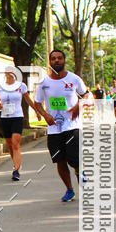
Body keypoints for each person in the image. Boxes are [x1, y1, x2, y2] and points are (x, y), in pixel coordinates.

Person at [34, 48, 87, 203]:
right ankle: (69, 190)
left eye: (59, 58)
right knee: (60, 160)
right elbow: (37, 103)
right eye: (53, 58)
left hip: (72, 125)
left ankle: (82, 183)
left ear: (64, 60)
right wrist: (46, 116)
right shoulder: (44, 83)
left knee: (75, 160)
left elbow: (86, 94)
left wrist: (79, 105)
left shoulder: (74, 79)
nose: (56, 60)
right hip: (54, 128)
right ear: (50, 62)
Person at [0, 68, 40, 181]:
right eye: (8, 73)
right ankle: (16, 163)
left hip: (17, 117)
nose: (10, 74)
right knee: (10, 145)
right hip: (5, 118)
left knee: (15, 143)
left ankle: (16, 170)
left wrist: (37, 111)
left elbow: (28, 100)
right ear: (5, 74)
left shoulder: (21, 86)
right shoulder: (0, 86)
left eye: (12, 72)